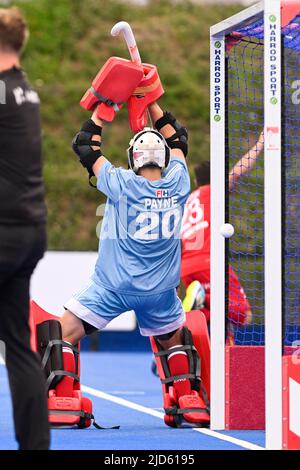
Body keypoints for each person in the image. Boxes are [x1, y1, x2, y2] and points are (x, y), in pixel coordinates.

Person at [59, 100, 208, 424]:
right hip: (159, 292)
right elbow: (178, 139)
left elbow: (85, 145)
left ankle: (61, 399)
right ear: (164, 158)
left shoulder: (121, 183)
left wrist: (103, 109)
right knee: (173, 339)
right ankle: (187, 397)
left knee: (62, 333)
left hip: (114, 287)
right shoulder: (179, 183)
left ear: (133, 159)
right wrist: (151, 101)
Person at [0, 7, 49, 449]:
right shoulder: (25, 90)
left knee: (17, 343)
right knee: (18, 345)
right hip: (30, 230)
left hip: (5, 231)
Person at [181, 133, 264, 335]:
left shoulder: (188, 201)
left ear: (195, 180)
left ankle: (195, 313)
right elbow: (238, 172)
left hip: (186, 267)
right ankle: (192, 309)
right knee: (243, 315)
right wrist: (261, 144)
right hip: (210, 263)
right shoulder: (213, 192)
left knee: (219, 322)